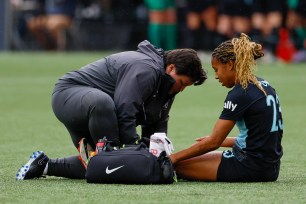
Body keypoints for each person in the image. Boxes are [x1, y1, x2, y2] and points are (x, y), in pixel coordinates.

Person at [16, 40, 207, 180]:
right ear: (171, 67)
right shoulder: (146, 69)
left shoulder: (167, 85)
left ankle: (43, 165)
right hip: (69, 96)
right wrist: (134, 151)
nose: (181, 89)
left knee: (99, 164)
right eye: (182, 83)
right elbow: (125, 110)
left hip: (98, 111)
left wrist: (157, 158)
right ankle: (112, 154)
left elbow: (156, 128)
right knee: (114, 152)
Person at [169, 33, 283, 182]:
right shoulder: (264, 85)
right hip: (270, 166)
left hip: (250, 166)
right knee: (186, 160)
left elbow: (213, 143)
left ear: (229, 64)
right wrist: (224, 140)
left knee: (178, 166)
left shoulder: (240, 93)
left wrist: (173, 158)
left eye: (216, 69)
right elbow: (261, 136)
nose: (216, 76)